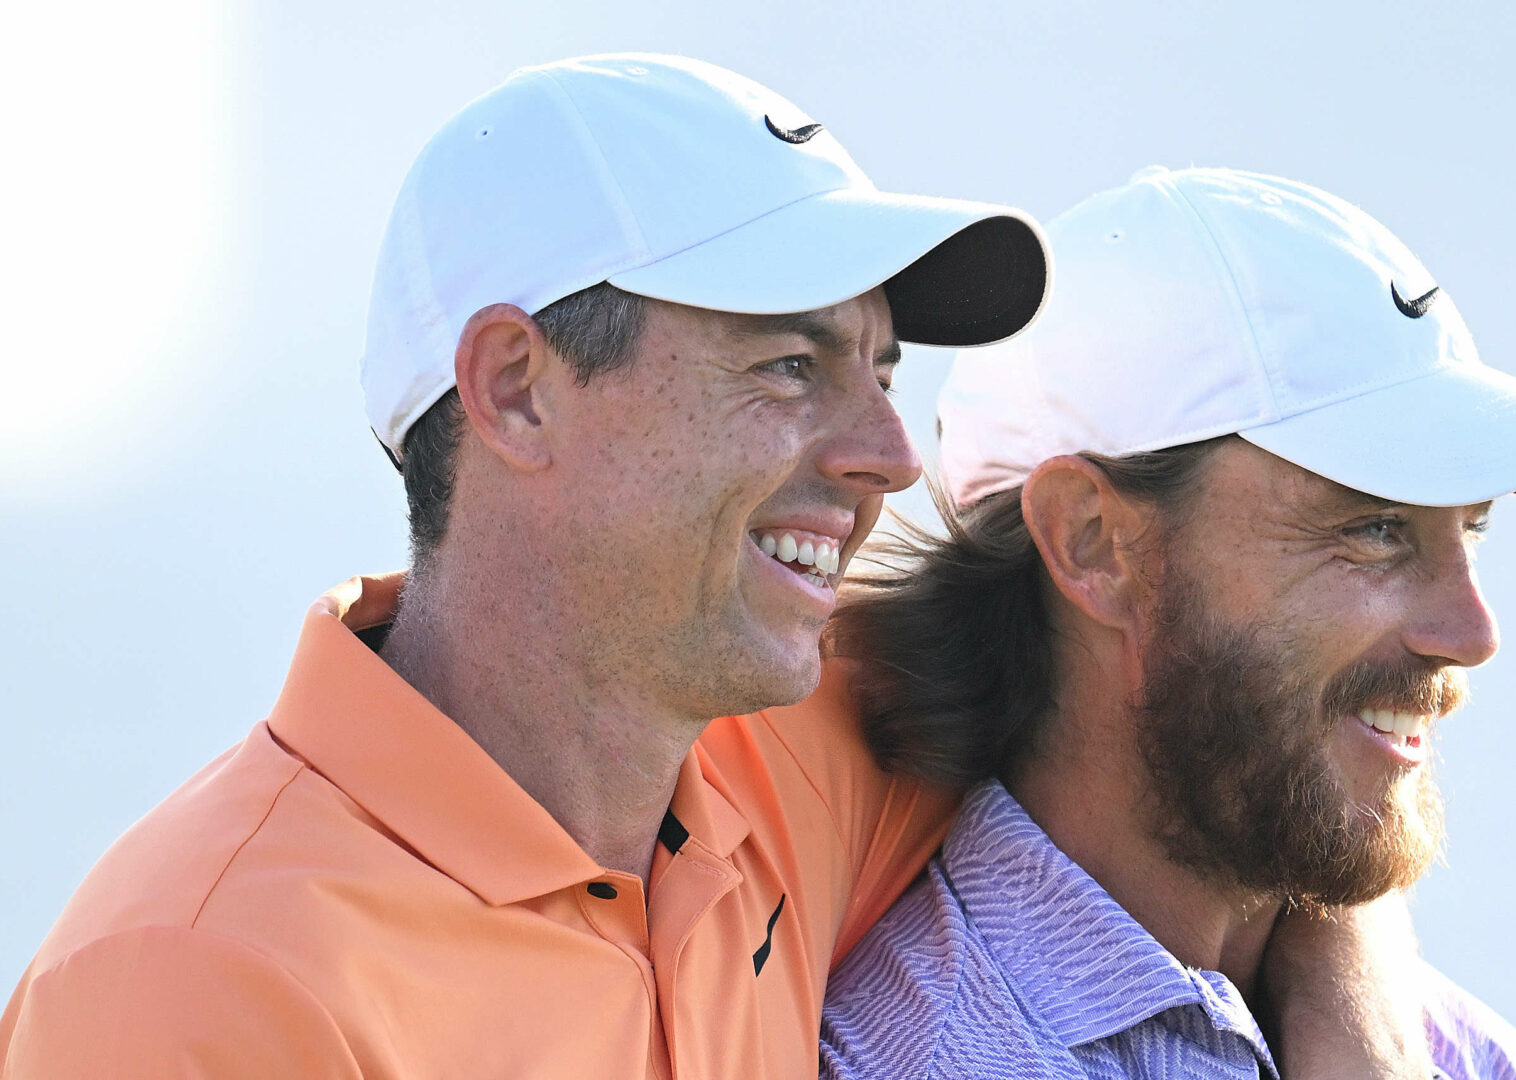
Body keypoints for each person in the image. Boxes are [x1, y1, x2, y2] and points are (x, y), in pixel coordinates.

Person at [0, 54, 1049, 1078]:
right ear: (513, 390)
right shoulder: (197, 980)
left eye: (879, 372)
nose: (894, 456)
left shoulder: (802, 743)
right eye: (787, 367)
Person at [820, 167, 1516, 1079]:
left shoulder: (1464, 1050)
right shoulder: (921, 1058)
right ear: (1095, 543)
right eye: (1375, 529)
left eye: (1472, 530)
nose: (1471, 632)